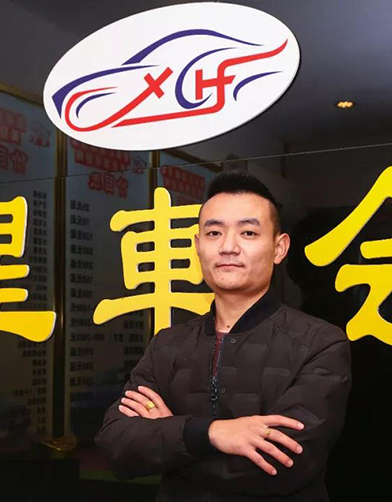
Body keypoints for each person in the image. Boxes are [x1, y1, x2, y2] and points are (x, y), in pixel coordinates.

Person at [95, 170, 351, 501]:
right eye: (214, 233)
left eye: (248, 232)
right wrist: (212, 433)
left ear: (279, 248)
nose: (228, 247)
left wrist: (170, 439)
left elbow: (282, 465)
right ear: (198, 246)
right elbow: (117, 443)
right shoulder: (167, 344)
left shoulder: (319, 342)